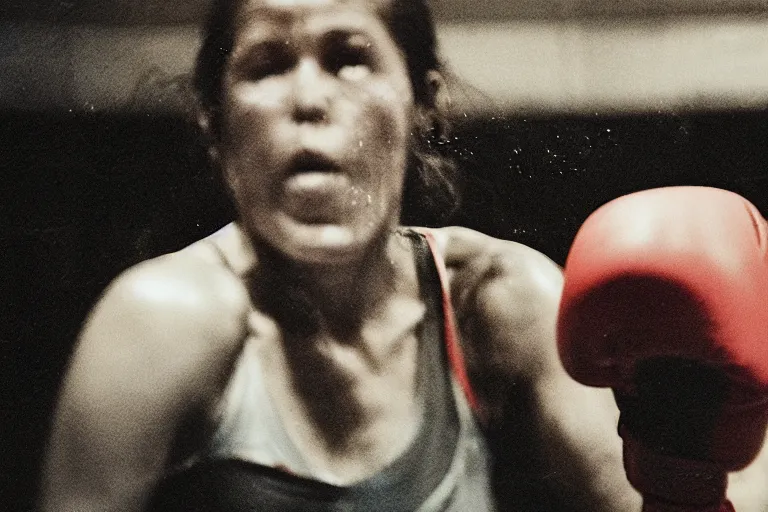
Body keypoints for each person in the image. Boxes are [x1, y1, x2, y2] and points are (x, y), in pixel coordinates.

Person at [38, 0, 767, 511]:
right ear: (214, 123)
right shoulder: (161, 322)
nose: (308, 99)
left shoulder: (497, 302)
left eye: (349, 58)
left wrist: (695, 465)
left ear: (423, 103)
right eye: (265, 65)